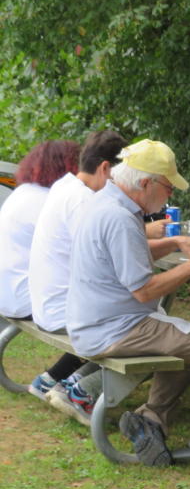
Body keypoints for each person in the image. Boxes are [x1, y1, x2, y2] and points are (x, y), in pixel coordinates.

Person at [66, 139, 190, 465]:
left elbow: (127, 256)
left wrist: (174, 241)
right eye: (168, 188)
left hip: (96, 323)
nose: (170, 196)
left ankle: (151, 418)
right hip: (117, 327)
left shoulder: (105, 202)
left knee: (184, 337)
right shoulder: (120, 217)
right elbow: (145, 291)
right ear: (146, 183)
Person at [29, 131, 126, 423]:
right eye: (120, 176)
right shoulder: (84, 200)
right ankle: (79, 392)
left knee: (132, 313)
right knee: (145, 322)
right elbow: (107, 256)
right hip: (63, 310)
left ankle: (51, 379)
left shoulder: (64, 186)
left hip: (47, 302)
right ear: (106, 168)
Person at [0, 140, 84, 401]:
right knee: (104, 310)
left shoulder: (25, 193)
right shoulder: (47, 201)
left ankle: (52, 379)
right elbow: (84, 244)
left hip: (9, 289)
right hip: (24, 296)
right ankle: (74, 385)